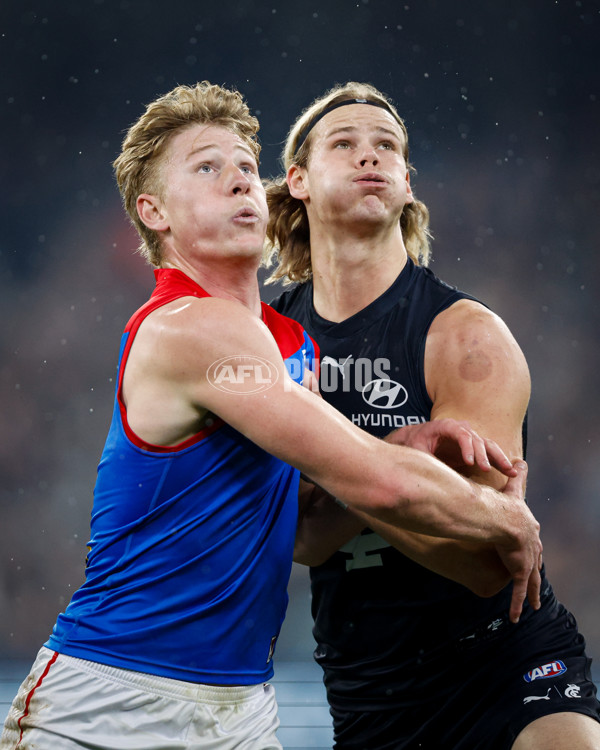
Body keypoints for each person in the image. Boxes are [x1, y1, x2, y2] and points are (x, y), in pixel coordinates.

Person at [0, 81, 540, 750]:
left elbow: (311, 518)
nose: (238, 183)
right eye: (207, 168)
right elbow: (379, 484)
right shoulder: (188, 328)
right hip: (116, 697)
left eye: (245, 168)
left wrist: (401, 441)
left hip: (242, 710)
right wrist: (503, 515)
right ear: (154, 211)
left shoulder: (289, 342)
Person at [266, 81, 600, 750]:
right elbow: (293, 542)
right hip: (368, 683)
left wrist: (340, 485)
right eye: (345, 143)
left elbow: (482, 556)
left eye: (387, 146)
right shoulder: (266, 342)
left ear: (408, 182)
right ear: (297, 180)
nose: (371, 156)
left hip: (508, 657)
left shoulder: (467, 338)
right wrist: (403, 459)